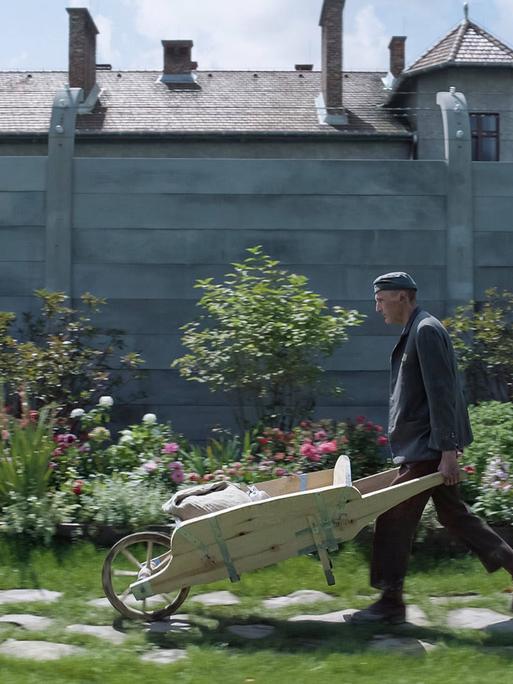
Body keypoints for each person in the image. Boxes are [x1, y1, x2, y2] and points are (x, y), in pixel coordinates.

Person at [348, 271, 513, 625]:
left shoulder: (425, 331)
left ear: (402, 297)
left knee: (391, 518)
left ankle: (390, 604)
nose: (377, 307)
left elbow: (443, 395)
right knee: (455, 516)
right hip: (425, 448)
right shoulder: (417, 331)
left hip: (429, 450)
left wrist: (448, 453)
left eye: (381, 299)